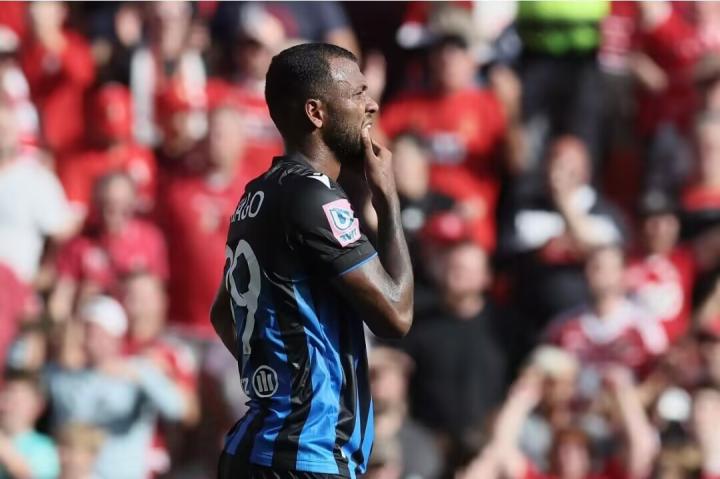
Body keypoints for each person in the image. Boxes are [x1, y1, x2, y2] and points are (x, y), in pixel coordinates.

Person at [211, 43, 414, 478]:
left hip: (256, 449)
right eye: (358, 93)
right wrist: (388, 202)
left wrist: (274, 384)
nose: (372, 105)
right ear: (316, 113)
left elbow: (223, 314)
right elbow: (396, 315)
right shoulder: (314, 197)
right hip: (306, 454)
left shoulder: (258, 193)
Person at [45, 295, 188, 479]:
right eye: (87, 333)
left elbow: (176, 410)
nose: (91, 341)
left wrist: (142, 376)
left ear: (116, 337)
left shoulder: (138, 371)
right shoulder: (66, 376)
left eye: (98, 334)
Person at [0, 370, 60, 479]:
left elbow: (27, 475)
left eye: (16, 400)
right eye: (5, 396)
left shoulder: (45, 449)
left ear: (38, 406)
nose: (6, 405)